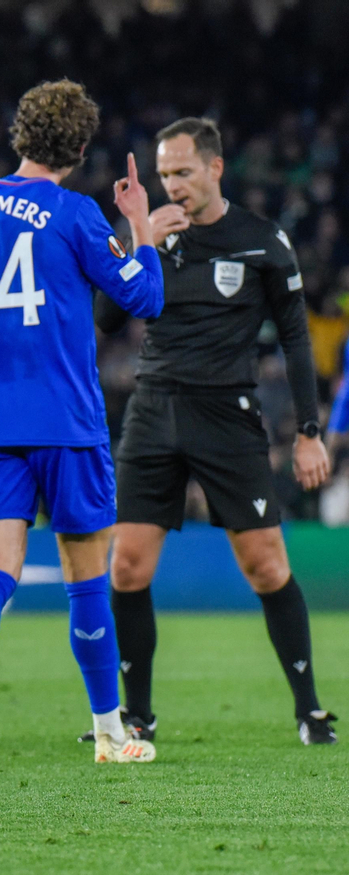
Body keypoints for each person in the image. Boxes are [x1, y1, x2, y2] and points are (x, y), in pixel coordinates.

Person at [0, 80, 165, 766]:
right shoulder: (76, 213)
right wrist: (140, 224)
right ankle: (111, 735)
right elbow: (144, 297)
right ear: (82, 148)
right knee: (86, 580)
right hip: (67, 421)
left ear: (18, 135)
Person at [95, 117, 338, 746]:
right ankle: (136, 716)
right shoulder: (153, 235)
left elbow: (295, 340)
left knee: (264, 565)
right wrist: (138, 238)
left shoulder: (262, 242)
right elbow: (103, 317)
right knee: (126, 568)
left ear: (215, 168)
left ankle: (310, 710)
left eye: (182, 172)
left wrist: (310, 430)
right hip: (153, 409)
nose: (172, 184)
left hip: (227, 413)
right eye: (164, 174)